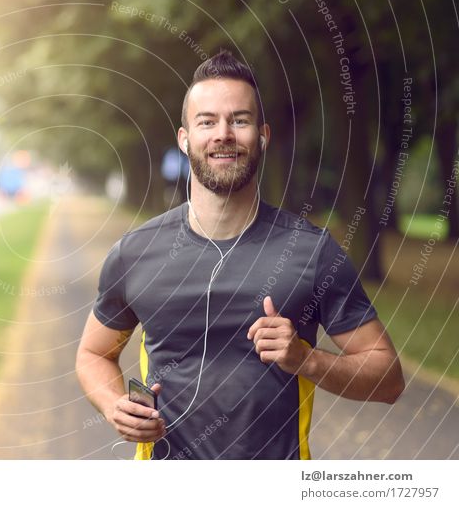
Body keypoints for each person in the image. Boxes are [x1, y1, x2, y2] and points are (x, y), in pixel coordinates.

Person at [75, 50, 405, 460]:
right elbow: (93, 354)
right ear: (184, 139)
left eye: (240, 120)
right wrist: (113, 407)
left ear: (262, 135)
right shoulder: (135, 253)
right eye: (207, 121)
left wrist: (308, 360)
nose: (224, 134)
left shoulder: (311, 252)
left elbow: (388, 378)